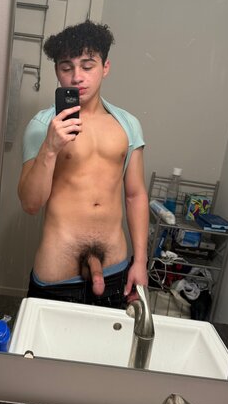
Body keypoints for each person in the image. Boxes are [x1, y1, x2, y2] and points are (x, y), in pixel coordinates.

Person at [18, 20, 149, 308]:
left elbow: (135, 195)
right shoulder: (42, 126)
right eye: (67, 68)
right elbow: (30, 204)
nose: (77, 77)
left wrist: (140, 261)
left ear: (105, 67)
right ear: (57, 72)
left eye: (88, 66)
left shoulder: (127, 125)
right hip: (57, 274)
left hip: (115, 270)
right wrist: (50, 148)